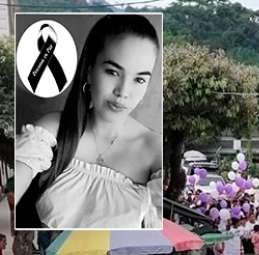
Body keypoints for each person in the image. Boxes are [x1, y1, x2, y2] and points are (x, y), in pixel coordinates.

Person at [15, 14, 162, 229]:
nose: (123, 92)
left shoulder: (155, 152)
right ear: (90, 70)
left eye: (139, 79)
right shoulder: (53, 130)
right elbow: (14, 185)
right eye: (112, 72)